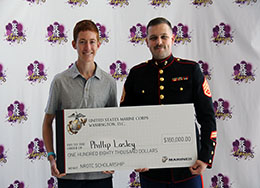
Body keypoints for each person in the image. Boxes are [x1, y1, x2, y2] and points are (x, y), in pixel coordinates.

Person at [120, 17, 217, 188]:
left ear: (173, 39)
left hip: (187, 169)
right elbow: (126, 120)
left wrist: (205, 156)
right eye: (153, 38)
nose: (159, 42)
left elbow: (207, 116)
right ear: (147, 42)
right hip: (152, 172)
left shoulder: (191, 70)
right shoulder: (136, 74)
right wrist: (134, 157)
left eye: (164, 37)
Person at [42, 19, 117, 188]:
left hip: (101, 174)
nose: (87, 47)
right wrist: (52, 157)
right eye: (82, 42)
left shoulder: (109, 82)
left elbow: (114, 126)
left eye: (91, 42)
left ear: (98, 44)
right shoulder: (60, 81)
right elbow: (47, 122)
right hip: (68, 174)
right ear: (74, 44)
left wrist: (114, 158)